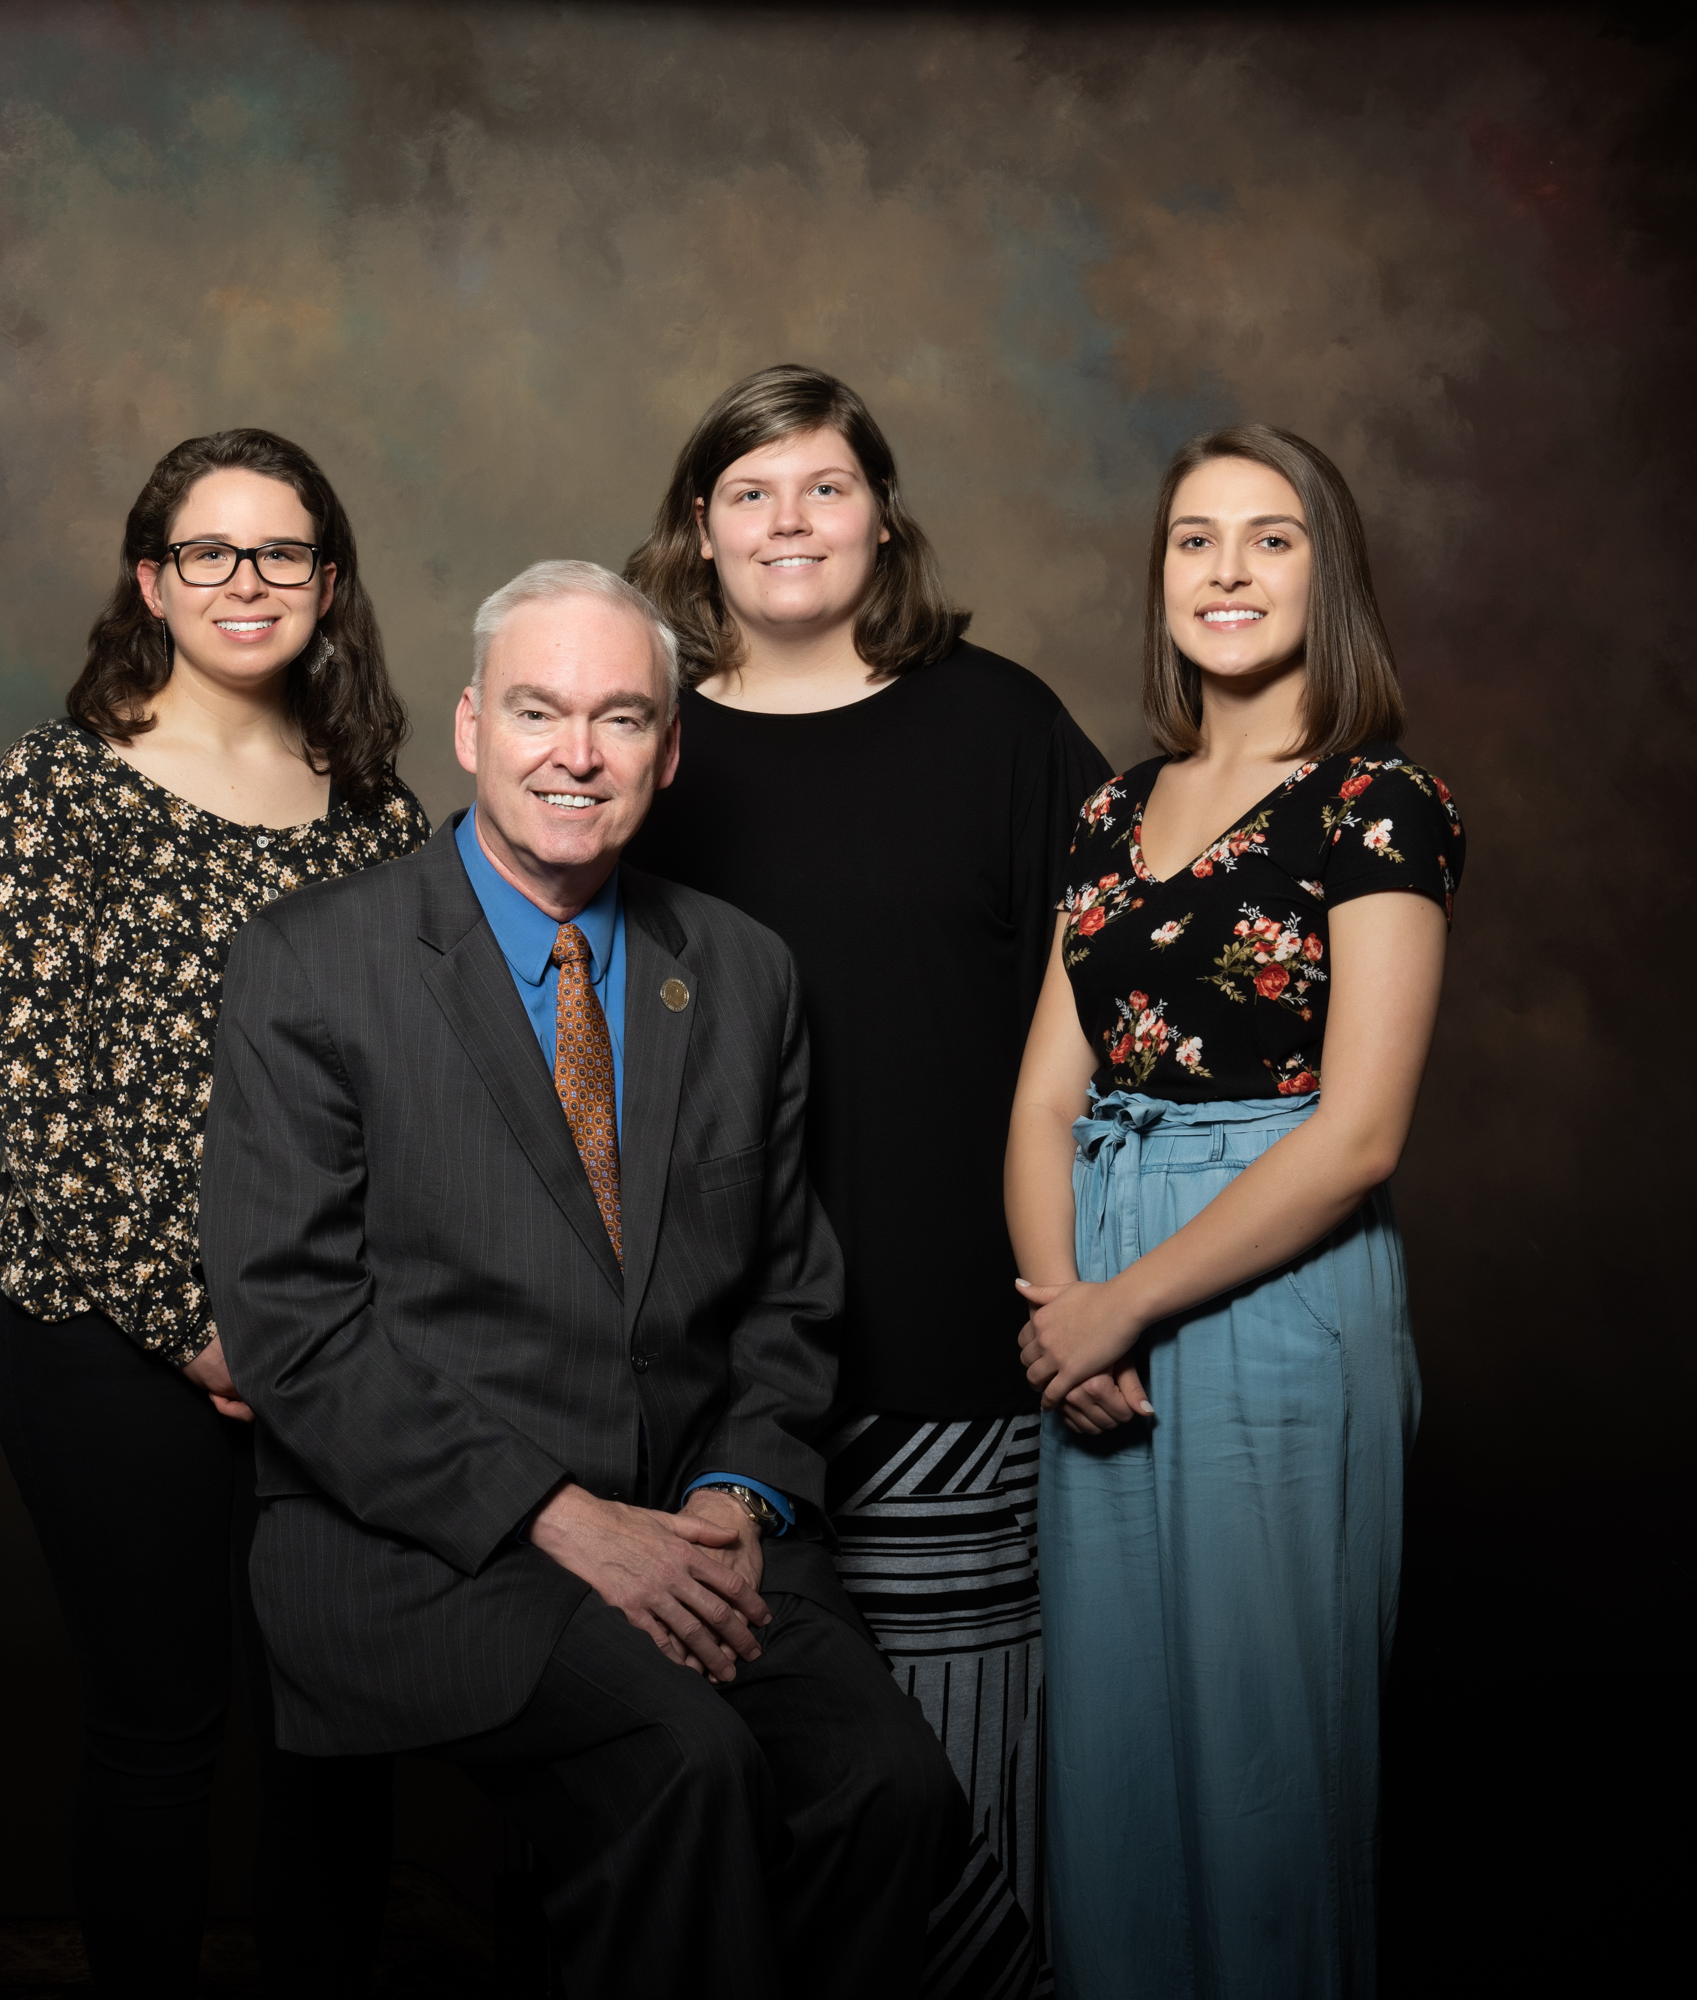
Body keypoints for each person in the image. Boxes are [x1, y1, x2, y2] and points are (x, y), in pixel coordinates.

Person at [203, 559, 966, 2000]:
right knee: (686, 1772)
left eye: (620, 720)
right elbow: (295, 1335)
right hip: (432, 1548)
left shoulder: (741, 970)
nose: (578, 754)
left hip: (700, 1515)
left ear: (670, 753)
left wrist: (735, 1498)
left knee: (890, 1792)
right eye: (543, 711)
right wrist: (562, 1522)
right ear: (473, 729)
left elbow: (793, 1291)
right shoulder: (313, 968)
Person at [623, 362, 1107, 1979]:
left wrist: (1105, 1282)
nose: (789, 522)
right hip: (702, 1392)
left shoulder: (1001, 724)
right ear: (700, 529)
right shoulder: (636, 750)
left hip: (957, 1350)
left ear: (882, 517)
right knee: (755, 1786)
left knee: (967, 1787)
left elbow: (1121, 1010)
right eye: (750, 492)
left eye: (824, 487)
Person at [0, 429, 426, 1997]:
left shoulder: (376, 813)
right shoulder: (60, 789)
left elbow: (417, 1102)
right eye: (210, 553)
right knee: (162, 1725)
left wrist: (317, 1335)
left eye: (282, 552)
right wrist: (202, 1325)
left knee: (337, 1722)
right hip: (109, 1345)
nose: (249, 582)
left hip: (335, 1345)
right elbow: (38, 1094)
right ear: (151, 583)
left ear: (330, 582)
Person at [1009, 426, 1461, 1998]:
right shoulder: (1105, 818)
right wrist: (1060, 1306)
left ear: (1325, 576)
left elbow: (1358, 1136)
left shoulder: (1378, 805)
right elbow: (1045, 1103)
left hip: (1275, 1279)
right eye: (1195, 539)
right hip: (1093, 1283)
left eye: (1271, 538)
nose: (1227, 570)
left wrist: (1122, 1307)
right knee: (1116, 1751)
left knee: (1265, 1753)